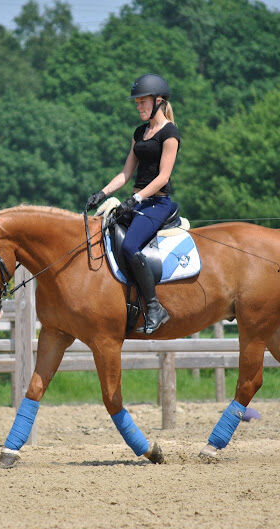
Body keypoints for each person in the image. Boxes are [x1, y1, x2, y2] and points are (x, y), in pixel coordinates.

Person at [86, 73, 180, 335]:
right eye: (137, 103)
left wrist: (136, 198)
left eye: (143, 102)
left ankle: (154, 308)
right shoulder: (139, 132)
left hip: (156, 203)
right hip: (137, 202)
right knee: (103, 235)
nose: (139, 107)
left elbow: (163, 177)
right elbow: (126, 173)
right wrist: (102, 193)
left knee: (129, 245)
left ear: (159, 101)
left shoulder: (170, 133)